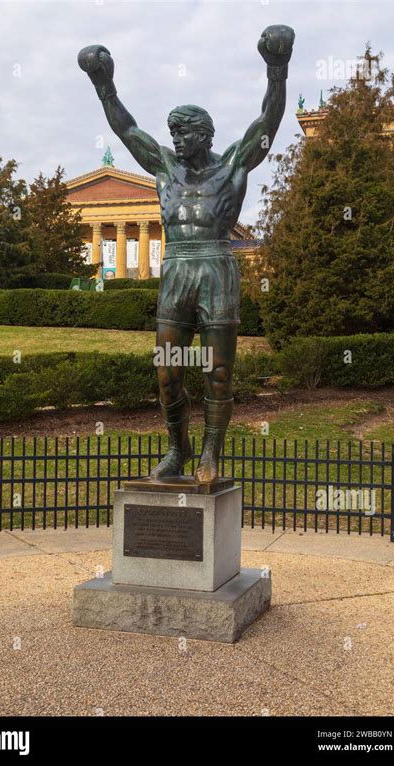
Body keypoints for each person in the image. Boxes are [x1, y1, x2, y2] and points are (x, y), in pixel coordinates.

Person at [78, 25, 294, 483]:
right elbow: (126, 127)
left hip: (216, 267)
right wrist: (104, 84)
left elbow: (267, 125)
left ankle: (211, 455)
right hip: (176, 270)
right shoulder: (163, 167)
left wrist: (277, 70)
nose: (175, 139)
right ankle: (178, 448)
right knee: (167, 373)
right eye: (173, 131)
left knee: (217, 373)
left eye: (183, 132)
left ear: (205, 134)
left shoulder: (233, 164)